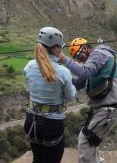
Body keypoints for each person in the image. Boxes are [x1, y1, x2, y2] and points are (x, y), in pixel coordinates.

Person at [56, 38, 117, 163]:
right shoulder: (92, 65)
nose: (80, 60)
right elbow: (79, 83)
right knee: (87, 141)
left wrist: (64, 59)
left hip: (109, 109)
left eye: (79, 56)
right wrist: (60, 76)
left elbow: (84, 71)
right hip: (104, 110)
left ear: (85, 48)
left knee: (85, 143)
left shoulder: (100, 53)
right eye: (77, 59)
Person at [23, 27, 76, 163]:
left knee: (38, 159)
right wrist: (73, 85)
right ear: (57, 48)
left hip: (31, 122)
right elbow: (70, 97)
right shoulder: (63, 72)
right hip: (52, 125)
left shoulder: (29, 66)